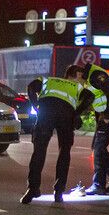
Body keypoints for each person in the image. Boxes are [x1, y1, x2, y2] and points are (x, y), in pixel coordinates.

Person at [21, 65, 91, 204]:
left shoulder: (48, 80)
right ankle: (58, 192)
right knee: (64, 152)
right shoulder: (77, 87)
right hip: (66, 115)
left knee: (39, 152)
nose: (83, 81)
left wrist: (36, 106)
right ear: (75, 74)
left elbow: (30, 87)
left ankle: (32, 189)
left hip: (46, 112)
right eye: (82, 77)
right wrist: (76, 114)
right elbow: (90, 97)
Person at [76, 62, 109, 195]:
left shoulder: (96, 75)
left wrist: (107, 115)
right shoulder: (89, 78)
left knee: (98, 149)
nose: (77, 83)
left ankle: (101, 183)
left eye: (76, 80)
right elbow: (88, 99)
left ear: (78, 74)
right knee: (97, 148)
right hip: (104, 115)